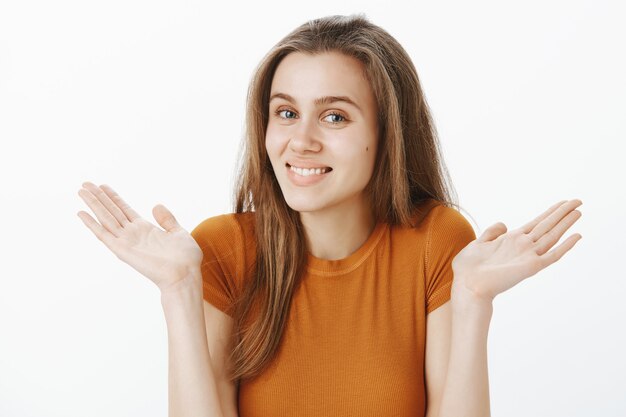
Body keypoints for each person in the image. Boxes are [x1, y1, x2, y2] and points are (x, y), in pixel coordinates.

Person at [77, 14, 583, 417]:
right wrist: (178, 294)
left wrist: (474, 302)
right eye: (286, 112)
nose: (301, 141)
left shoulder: (435, 239)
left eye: (334, 116)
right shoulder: (222, 250)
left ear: (388, 132)